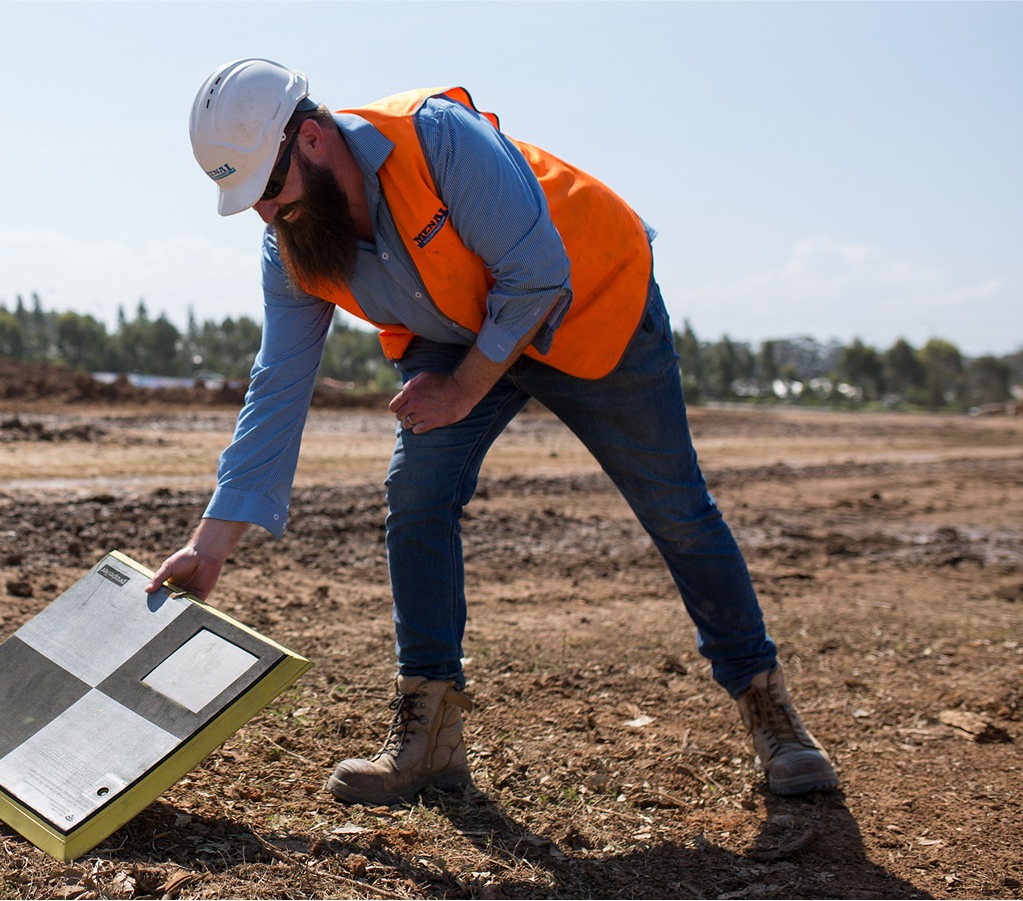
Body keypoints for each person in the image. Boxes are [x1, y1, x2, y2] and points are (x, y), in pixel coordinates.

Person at [147, 58, 839, 806]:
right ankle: (431, 731)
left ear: (311, 139)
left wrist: (464, 387)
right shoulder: (292, 243)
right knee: (416, 493)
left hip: (588, 298)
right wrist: (209, 544)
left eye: (268, 191)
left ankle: (769, 706)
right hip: (456, 325)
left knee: (677, 508)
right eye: (247, 201)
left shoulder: (437, 139)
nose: (265, 214)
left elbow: (538, 274)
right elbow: (276, 386)